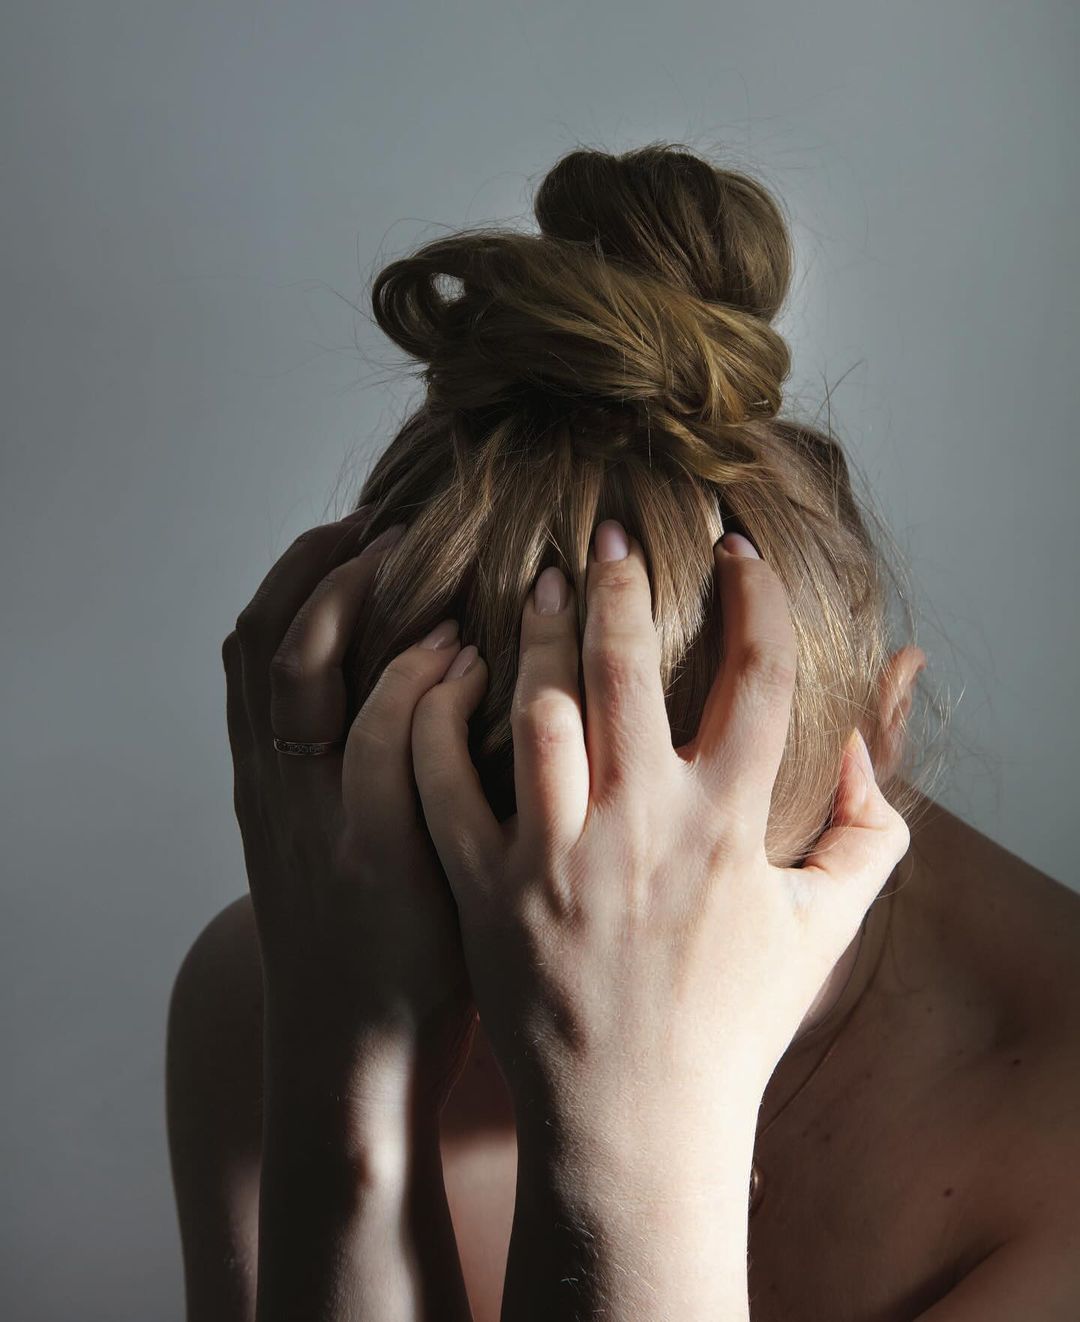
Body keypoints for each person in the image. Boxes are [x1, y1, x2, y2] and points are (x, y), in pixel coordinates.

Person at [166, 145, 1080, 1321]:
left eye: (665, 914)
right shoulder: (298, 975)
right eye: (473, 948)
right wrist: (351, 1092)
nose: (559, 1004)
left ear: (880, 753)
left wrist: (636, 1161)